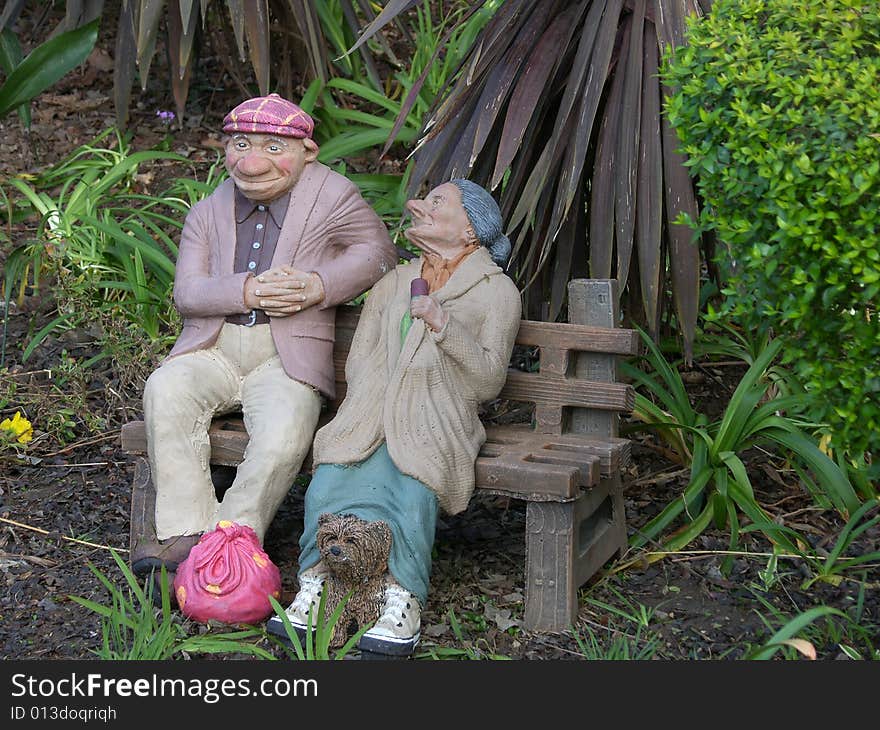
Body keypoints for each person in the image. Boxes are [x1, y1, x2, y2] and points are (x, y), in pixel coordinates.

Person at [130, 93, 399, 590]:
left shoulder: (334, 197)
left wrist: (318, 285)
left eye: (273, 148)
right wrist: (246, 290)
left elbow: (378, 252)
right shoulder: (207, 213)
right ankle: (185, 532)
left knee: (284, 431)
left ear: (307, 152)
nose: (251, 162)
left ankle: (231, 538)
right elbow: (187, 293)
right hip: (216, 346)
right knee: (166, 390)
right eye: (240, 145)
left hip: (285, 357)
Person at [267, 179, 522, 655]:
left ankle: (400, 597)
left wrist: (444, 327)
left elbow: (489, 381)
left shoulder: (496, 292)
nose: (417, 206)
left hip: (438, 417)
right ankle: (316, 582)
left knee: (411, 485)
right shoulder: (393, 282)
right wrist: (377, 400)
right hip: (371, 410)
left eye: (436, 203)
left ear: (470, 228)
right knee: (329, 479)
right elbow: (360, 357)